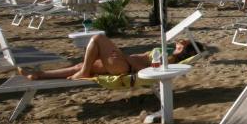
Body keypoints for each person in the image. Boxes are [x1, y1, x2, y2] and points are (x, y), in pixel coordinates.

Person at [22, 35, 196, 80]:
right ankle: (39, 75)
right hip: (123, 62)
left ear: (185, 50)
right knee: (81, 65)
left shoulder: (170, 59)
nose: (180, 40)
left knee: (98, 39)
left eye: (184, 42)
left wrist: (124, 57)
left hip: (125, 67)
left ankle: (83, 72)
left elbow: (144, 70)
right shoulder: (168, 51)